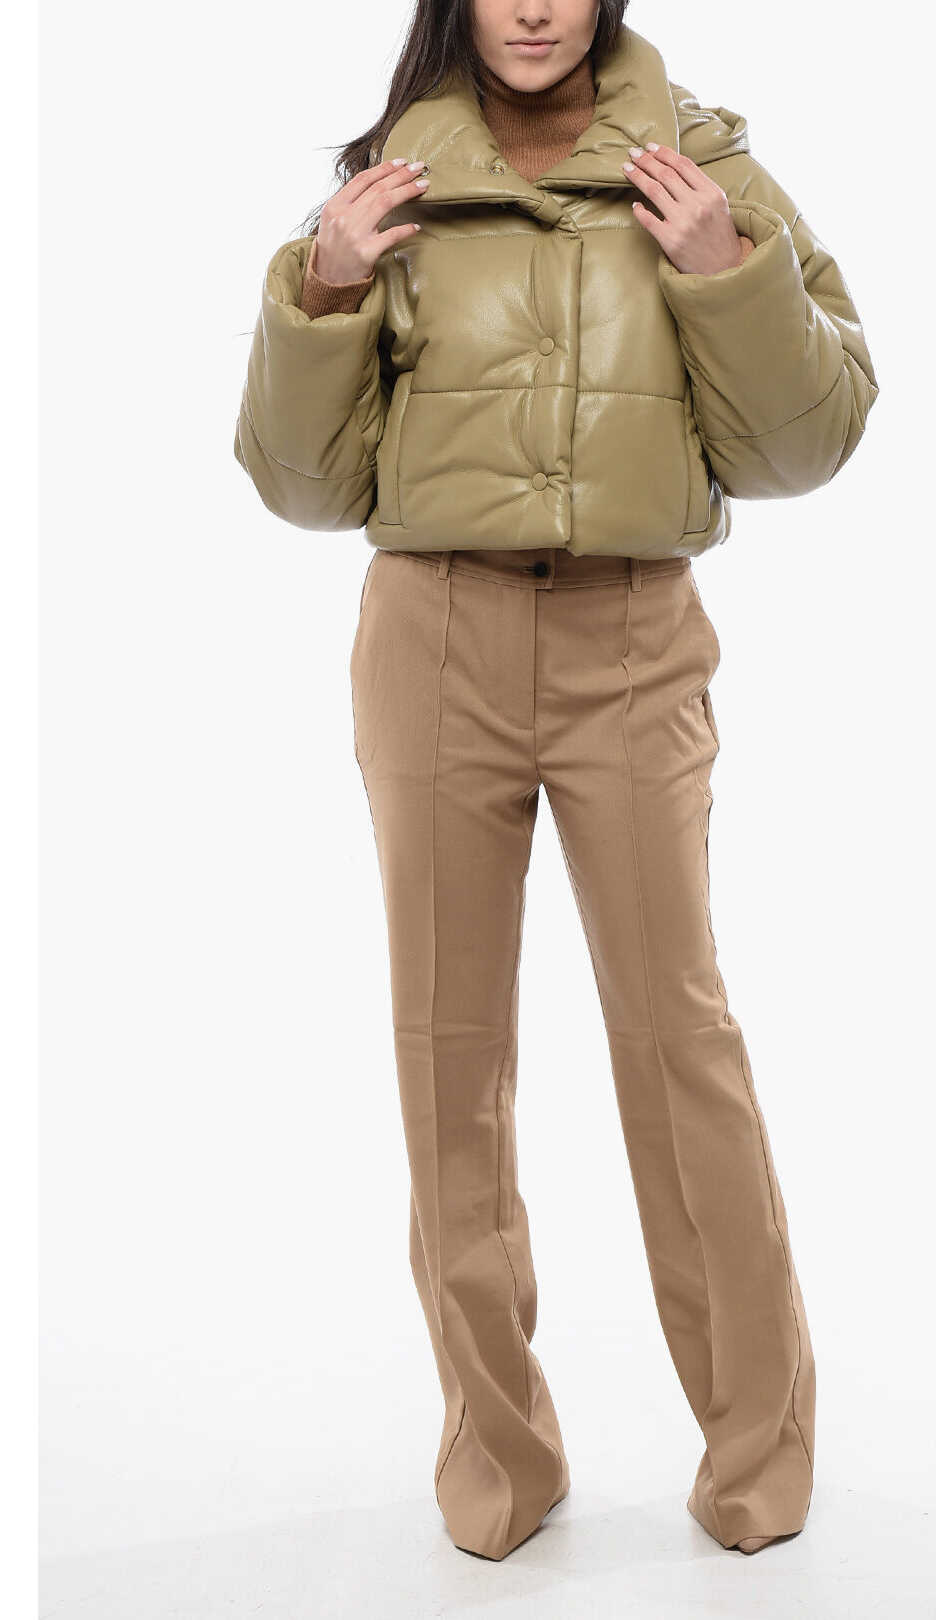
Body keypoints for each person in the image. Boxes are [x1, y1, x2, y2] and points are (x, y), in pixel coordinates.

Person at [233, 0, 879, 1564]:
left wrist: (726, 271)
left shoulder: (706, 169)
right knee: (444, 1051)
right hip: (431, 634)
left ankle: (756, 1449)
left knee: (680, 1038)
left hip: (633, 634)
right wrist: (323, 292)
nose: (532, 8)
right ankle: (495, 1453)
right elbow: (304, 489)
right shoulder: (386, 185)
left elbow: (806, 450)